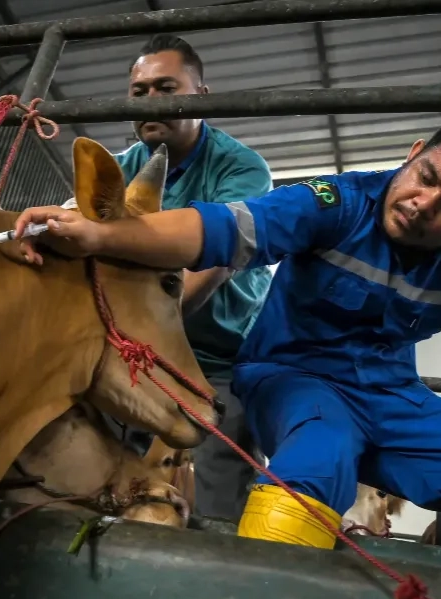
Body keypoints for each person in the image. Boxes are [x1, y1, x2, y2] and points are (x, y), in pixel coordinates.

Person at [11, 111, 441, 556]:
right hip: (292, 377)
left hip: (391, 398)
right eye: (425, 177)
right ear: (414, 154)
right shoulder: (336, 202)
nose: (422, 204)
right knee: (321, 454)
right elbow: (222, 230)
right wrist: (98, 236)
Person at [105, 34, 275, 522]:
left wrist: (138, 327)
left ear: (202, 96)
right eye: (140, 92)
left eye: (166, 87)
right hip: (139, 346)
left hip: (219, 356)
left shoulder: (241, 168)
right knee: (103, 462)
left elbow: (213, 260)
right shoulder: (119, 169)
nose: (151, 101)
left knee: (223, 490)